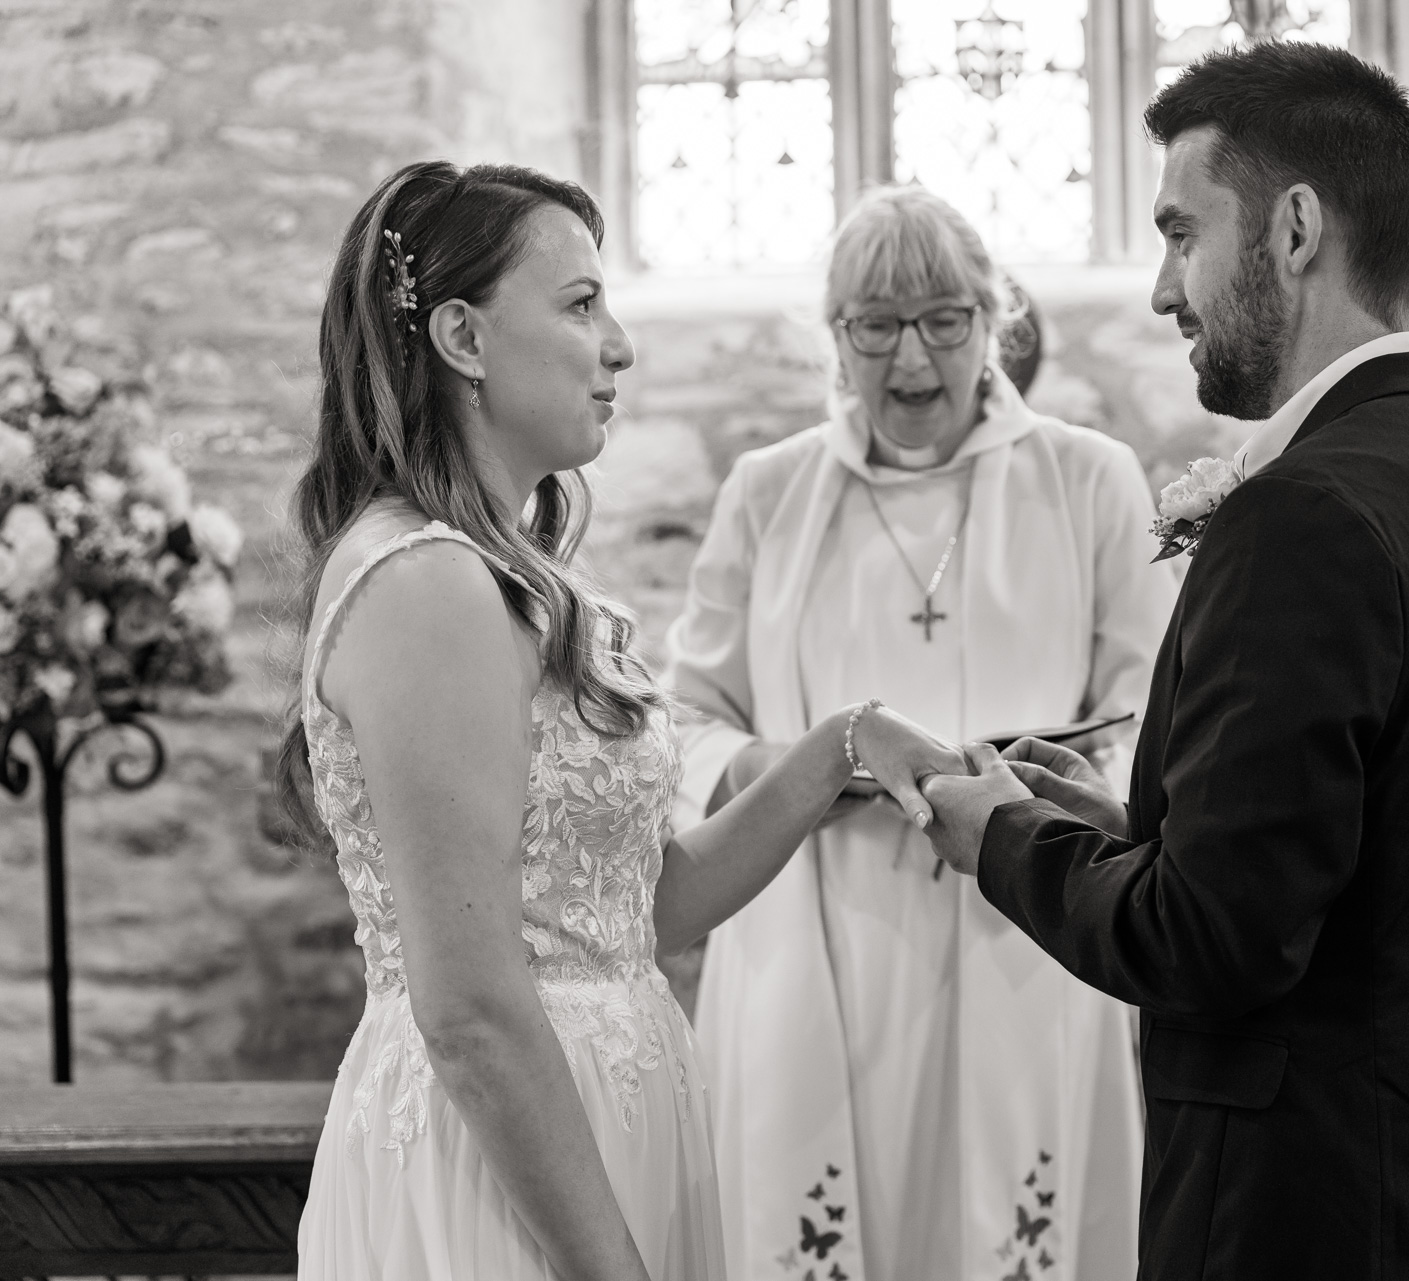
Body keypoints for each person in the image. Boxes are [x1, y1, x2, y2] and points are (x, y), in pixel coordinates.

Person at [922, 42, 1409, 1281]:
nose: (1166, 291)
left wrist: (1000, 840)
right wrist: (1125, 835)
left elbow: (1212, 948)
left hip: (1305, 1212)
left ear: (1292, 230)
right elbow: (1354, 877)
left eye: (1182, 234)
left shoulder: (1306, 516)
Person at [278, 160, 964, 1281]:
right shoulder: (425, 584)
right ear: (461, 336)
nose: (621, 345)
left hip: (607, 1127)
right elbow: (472, 1012)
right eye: (582, 303)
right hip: (500, 1172)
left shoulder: (515, 576)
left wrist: (840, 743)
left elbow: (638, 911)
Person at [661, 185, 1179, 1281]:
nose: (912, 358)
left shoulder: (1088, 481)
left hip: (1024, 921)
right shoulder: (769, 494)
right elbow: (685, 723)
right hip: (814, 926)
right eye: (875, 326)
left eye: (946, 320)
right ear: (835, 339)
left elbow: (1150, 715)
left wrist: (1059, 782)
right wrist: (807, 771)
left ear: (997, 324)